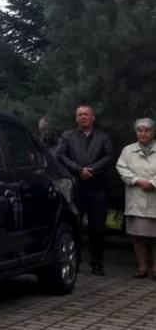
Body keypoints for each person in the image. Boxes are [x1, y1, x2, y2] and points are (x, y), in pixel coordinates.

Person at [56, 105, 114, 276]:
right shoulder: (67, 136)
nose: (83, 117)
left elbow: (109, 156)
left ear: (93, 117)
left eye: (86, 114)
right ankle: (75, 261)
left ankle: (97, 263)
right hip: (76, 188)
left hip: (97, 188)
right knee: (75, 226)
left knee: (97, 228)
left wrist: (92, 170)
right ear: (76, 119)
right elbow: (61, 156)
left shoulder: (103, 137)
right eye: (80, 115)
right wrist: (79, 169)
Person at [115, 117, 156, 279]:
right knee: (137, 236)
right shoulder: (128, 150)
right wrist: (137, 180)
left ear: (153, 132)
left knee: (155, 237)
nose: (143, 133)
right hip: (136, 198)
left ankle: (155, 268)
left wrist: (153, 183)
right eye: (140, 130)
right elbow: (122, 168)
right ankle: (142, 267)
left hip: (154, 197)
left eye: (147, 130)